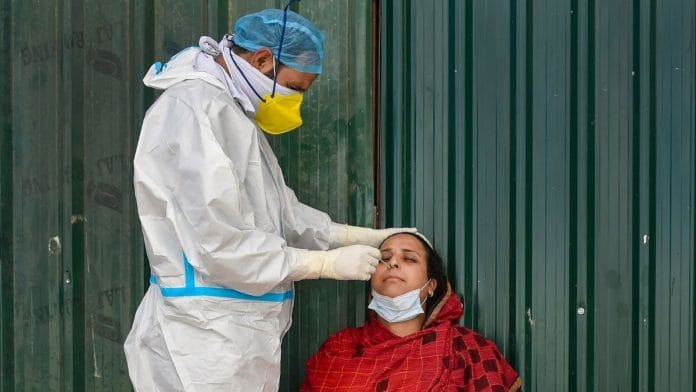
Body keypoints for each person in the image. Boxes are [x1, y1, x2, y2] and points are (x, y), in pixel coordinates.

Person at [123, 5, 414, 392]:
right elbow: (219, 244)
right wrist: (323, 263)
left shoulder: (231, 112)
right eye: (294, 88)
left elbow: (281, 214)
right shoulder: (194, 111)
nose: (295, 102)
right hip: (202, 339)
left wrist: (354, 236)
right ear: (262, 60)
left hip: (229, 333)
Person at [302, 232, 522, 391]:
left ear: (432, 285)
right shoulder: (340, 350)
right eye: (384, 258)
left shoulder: (467, 350)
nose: (393, 263)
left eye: (409, 258)